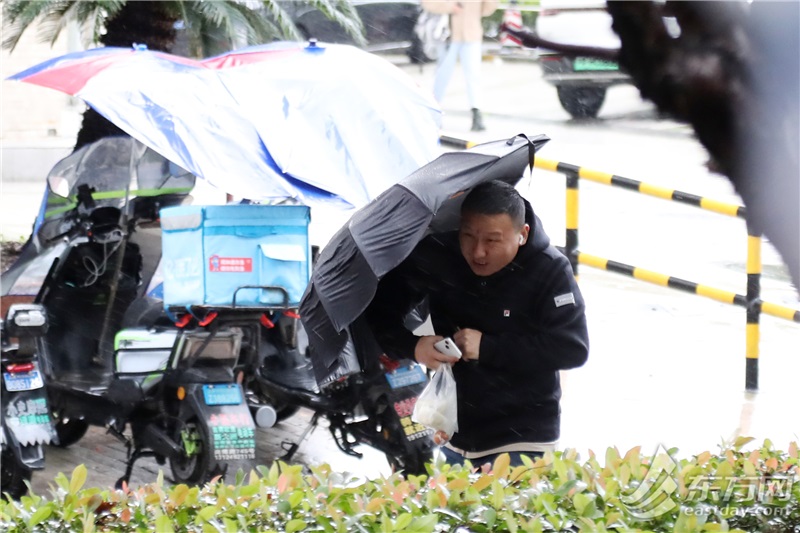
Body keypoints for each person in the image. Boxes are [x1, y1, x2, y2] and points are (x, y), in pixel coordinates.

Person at [366, 180, 589, 467]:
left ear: (522, 234)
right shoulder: (441, 255)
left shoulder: (549, 269)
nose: (478, 251)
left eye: (492, 240)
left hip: (524, 438)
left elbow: (572, 348)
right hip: (453, 434)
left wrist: (488, 347)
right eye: (468, 235)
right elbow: (381, 311)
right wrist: (414, 347)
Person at [422, 0, 498, 131]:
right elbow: (427, 3)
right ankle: (434, 113)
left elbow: (488, 9)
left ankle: (476, 113)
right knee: (442, 76)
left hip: (472, 35)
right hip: (448, 35)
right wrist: (450, 7)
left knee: (474, 76)